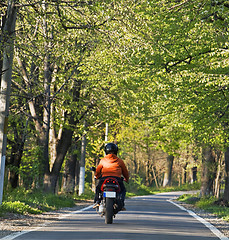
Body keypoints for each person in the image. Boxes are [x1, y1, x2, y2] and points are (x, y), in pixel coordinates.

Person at [93, 143, 129, 209]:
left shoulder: (103, 160)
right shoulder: (120, 161)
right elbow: (125, 172)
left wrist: (97, 176)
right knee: (123, 190)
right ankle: (121, 204)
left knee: (98, 188)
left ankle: (97, 202)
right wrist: (126, 179)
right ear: (116, 151)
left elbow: (98, 171)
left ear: (106, 151)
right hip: (117, 179)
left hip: (104, 179)